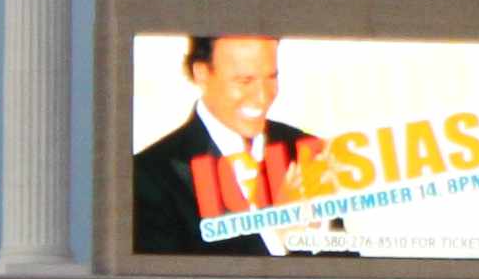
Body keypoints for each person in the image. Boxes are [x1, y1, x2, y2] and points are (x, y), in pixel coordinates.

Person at [132, 35, 343, 255]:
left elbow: (347, 269)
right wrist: (278, 238)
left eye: (271, 77)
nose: (262, 97)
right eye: (245, 81)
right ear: (202, 74)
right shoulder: (147, 176)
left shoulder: (308, 149)